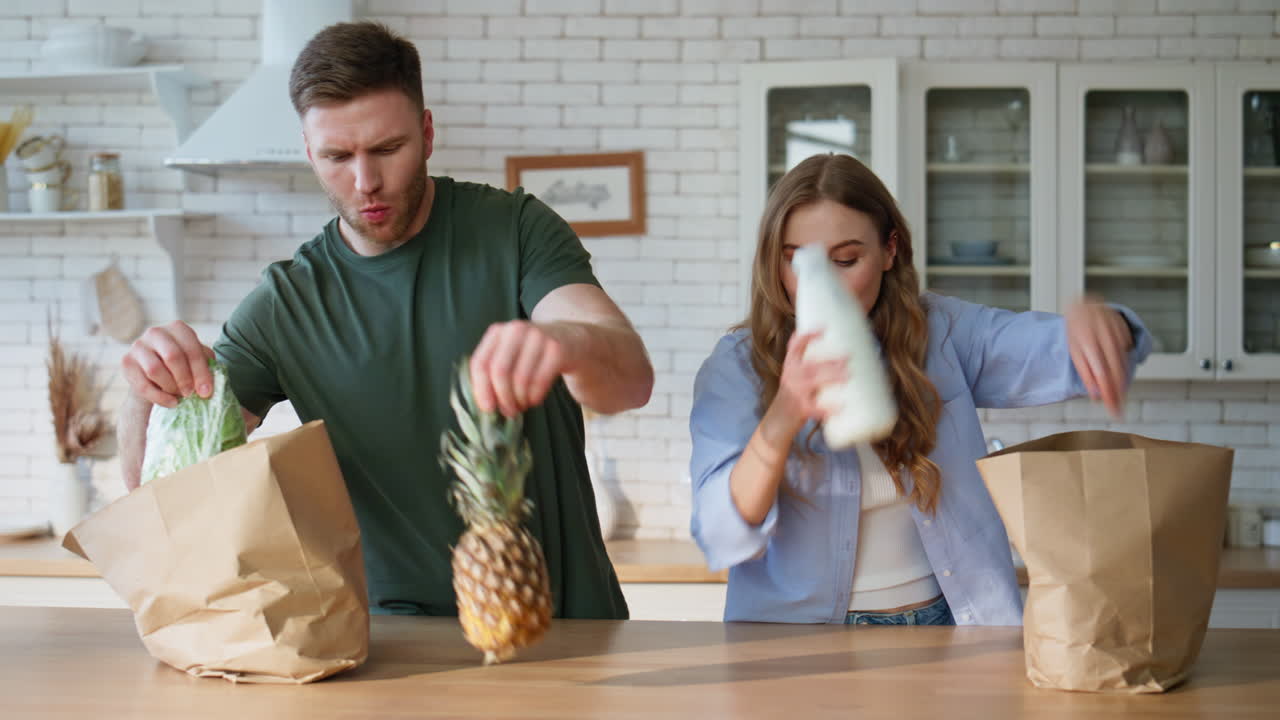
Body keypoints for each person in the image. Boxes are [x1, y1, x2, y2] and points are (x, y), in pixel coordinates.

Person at [118, 22, 653, 619]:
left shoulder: (517, 230)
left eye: (387, 149)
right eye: (337, 157)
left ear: (426, 133)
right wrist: (146, 392)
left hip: (566, 627)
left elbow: (631, 380)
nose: (365, 181)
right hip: (394, 646)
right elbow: (162, 498)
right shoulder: (285, 304)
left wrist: (566, 341)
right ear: (307, 152)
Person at [689, 153, 1151, 626]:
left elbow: (1050, 351)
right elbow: (720, 532)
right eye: (799, 263)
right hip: (802, 642)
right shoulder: (739, 366)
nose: (822, 283)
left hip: (947, 625)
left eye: (846, 260)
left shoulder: (942, 333)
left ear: (890, 251)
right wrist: (784, 415)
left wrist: (1105, 327)